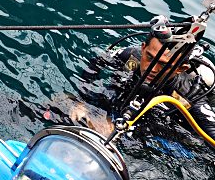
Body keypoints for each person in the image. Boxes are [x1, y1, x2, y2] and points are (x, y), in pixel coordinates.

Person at [68, 35, 215, 140]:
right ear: (143, 48)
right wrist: (81, 101)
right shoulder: (130, 56)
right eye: (150, 57)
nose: (152, 68)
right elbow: (98, 61)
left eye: (163, 65)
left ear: (180, 69)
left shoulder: (189, 96)